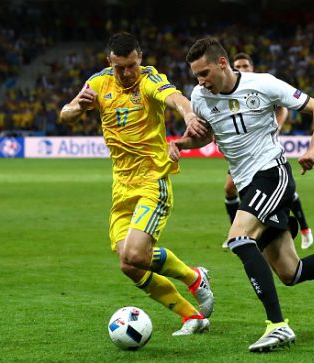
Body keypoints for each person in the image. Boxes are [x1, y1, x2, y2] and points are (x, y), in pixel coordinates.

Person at [169, 37, 314, 353]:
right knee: (292, 273)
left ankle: (278, 326)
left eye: (205, 73)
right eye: (196, 75)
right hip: (246, 183)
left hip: (271, 172)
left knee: (239, 238)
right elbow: (210, 134)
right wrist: (183, 144)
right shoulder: (200, 97)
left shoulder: (263, 85)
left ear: (222, 64)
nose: (200, 81)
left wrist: (313, 148)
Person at [59, 32, 214, 336]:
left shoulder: (149, 80)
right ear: (110, 62)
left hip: (152, 181)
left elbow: (176, 98)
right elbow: (65, 114)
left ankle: (194, 277)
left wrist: (187, 115)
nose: (127, 72)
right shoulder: (99, 82)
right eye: (120, 67)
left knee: (134, 254)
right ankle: (192, 317)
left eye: (131, 65)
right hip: (121, 187)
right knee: (130, 265)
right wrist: (79, 106)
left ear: (140, 59)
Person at [219, 52, 313, 250]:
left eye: (245, 65)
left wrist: (278, 126)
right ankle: (236, 232)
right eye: (238, 66)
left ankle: (305, 229)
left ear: (252, 67)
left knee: (285, 191)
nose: (241, 69)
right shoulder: (228, 90)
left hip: (265, 152)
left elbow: (283, 108)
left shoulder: (261, 85)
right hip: (242, 157)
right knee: (229, 188)